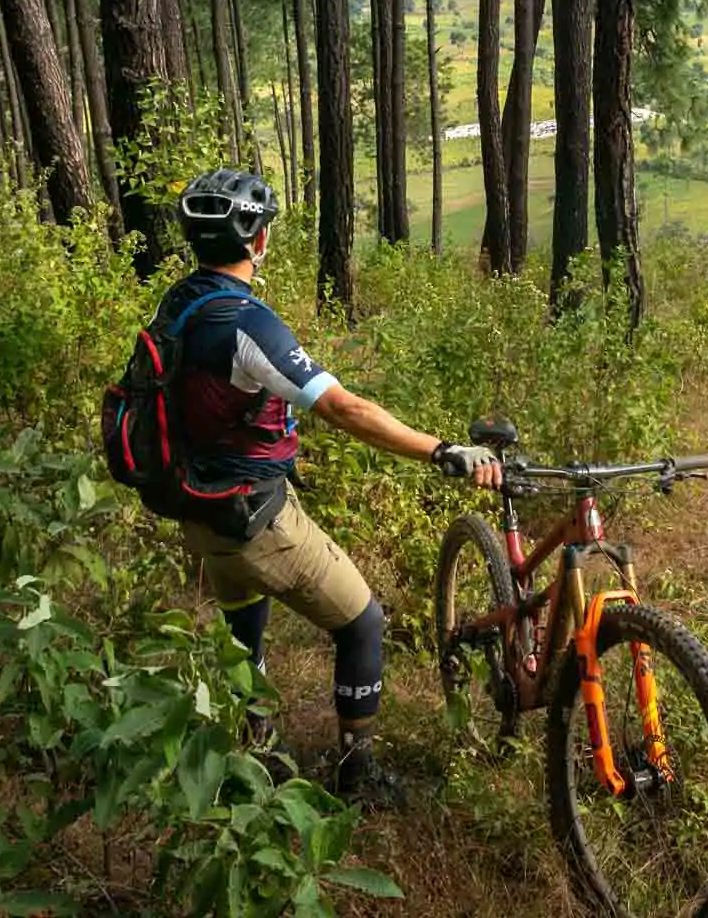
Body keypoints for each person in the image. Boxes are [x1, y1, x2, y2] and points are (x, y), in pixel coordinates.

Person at [158, 168, 501, 805]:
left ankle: (256, 746)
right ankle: (357, 770)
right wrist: (441, 449)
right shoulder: (244, 323)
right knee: (364, 623)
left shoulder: (180, 303)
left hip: (196, 505)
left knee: (242, 624)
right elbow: (344, 409)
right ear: (256, 240)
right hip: (252, 516)